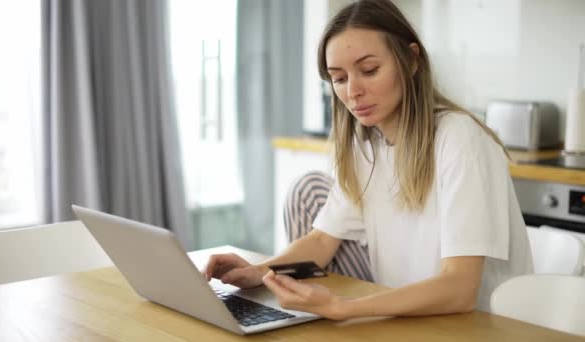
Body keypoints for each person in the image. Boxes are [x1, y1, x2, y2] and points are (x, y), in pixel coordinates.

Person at [202, 0, 532, 319]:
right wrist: (259, 272)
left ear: (412, 60)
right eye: (340, 78)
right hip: (406, 317)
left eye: (369, 70)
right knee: (308, 190)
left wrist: (342, 308)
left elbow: (460, 289)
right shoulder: (366, 144)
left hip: (474, 325)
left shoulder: (460, 140)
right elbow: (322, 240)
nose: (353, 91)